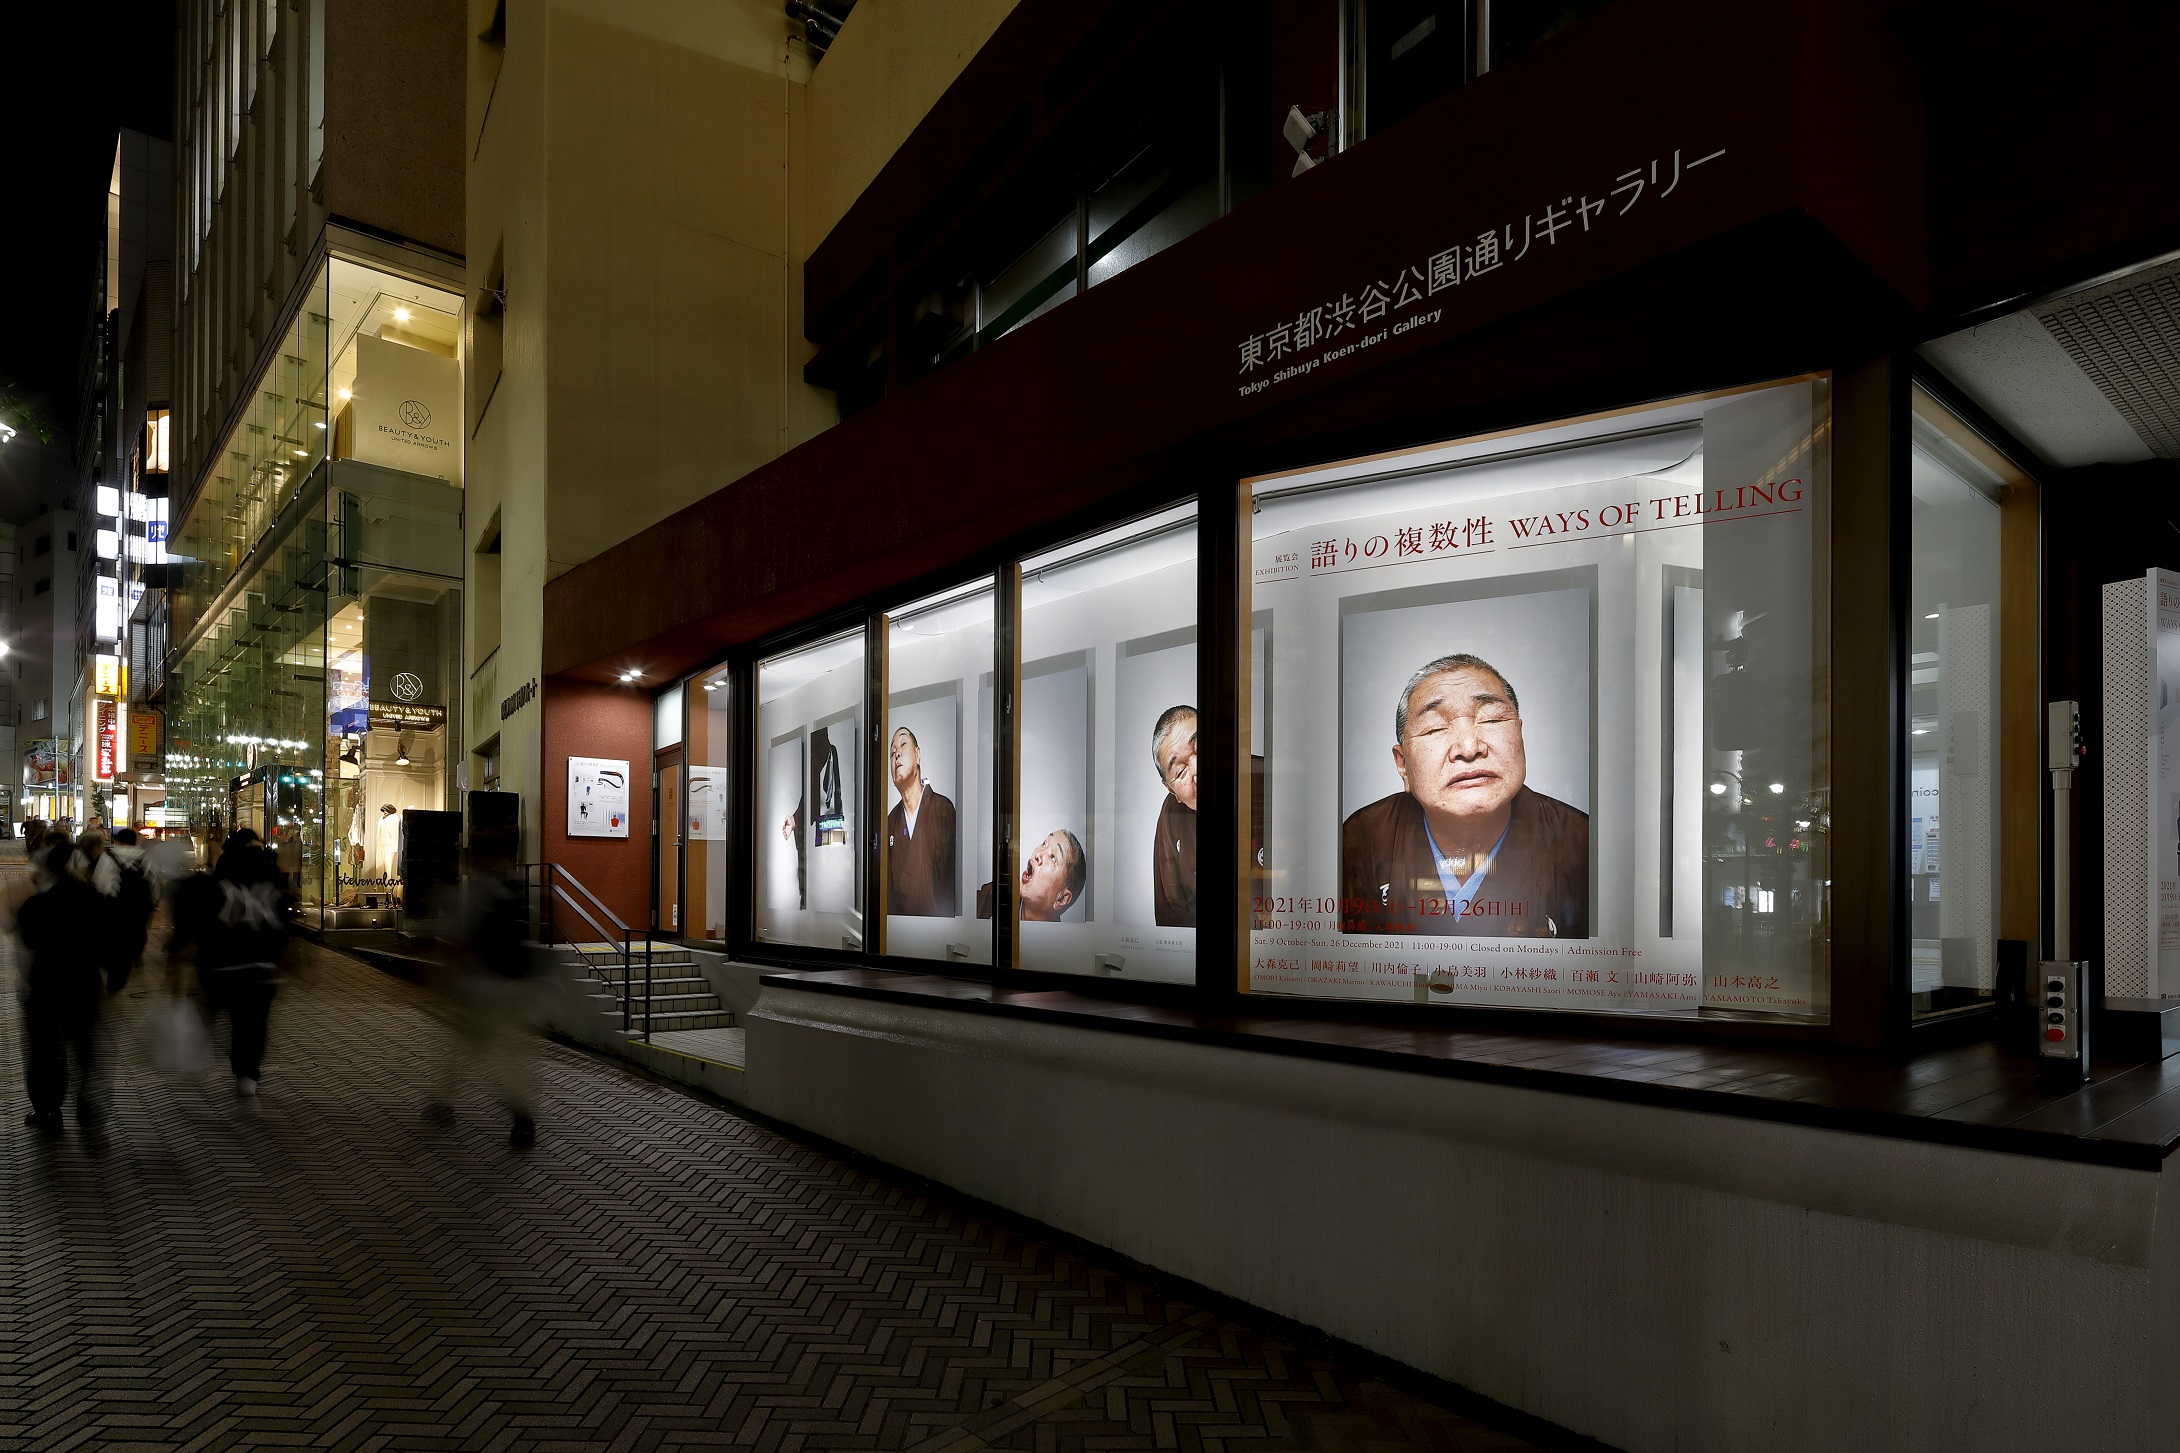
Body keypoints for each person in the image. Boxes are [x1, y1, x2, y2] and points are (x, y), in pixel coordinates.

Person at [1341, 653, 1589, 938]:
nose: (1469, 747)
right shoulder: (1363, 837)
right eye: (1435, 727)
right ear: (1403, 764)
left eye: (1492, 719)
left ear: (1520, 736)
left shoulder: (1581, 843)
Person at [168, 829, 293, 1096]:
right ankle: (247, 1071)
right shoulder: (271, 890)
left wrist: (177, 953)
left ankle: (208, 1052)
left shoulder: (214, 886)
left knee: (220, 1010)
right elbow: (282, 929)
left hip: (218, 967)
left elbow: (193, 920)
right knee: (252, 1022)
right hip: (259, 971)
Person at [424, 873, 544, 1149]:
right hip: (516, 988)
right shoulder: (515, 889)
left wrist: (444, 977)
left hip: (486, 989)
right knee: (503, 1053)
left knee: (467, 1049)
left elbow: (460, 943)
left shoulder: (478, 892)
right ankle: (522, 1118)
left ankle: (445, 1103)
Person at [16, 840, 108, 1133]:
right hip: (84, 981)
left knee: (44, 1048)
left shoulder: (38, 904)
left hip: (47, 982)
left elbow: (28, 940)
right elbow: (109, 939)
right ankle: (88, 1101)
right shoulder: (92, 898)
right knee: (84, 1042)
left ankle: (48, 1110)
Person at [885, 727, 959, 916]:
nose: (897, 754)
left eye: (902, 744)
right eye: (892, 752)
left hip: (937, 935)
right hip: (897, 934)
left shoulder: (943, 809)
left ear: (917, 754)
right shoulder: (890, 822)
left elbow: (952, 886)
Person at [1148, 707, 1198, 926]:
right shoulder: (1171, 813)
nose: (1197, 769)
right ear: (1171, 790)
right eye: (1180, 772)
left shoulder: (1261, 776)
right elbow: (1170, 908)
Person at [1018, 829, 1086, 922]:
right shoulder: (993, 896)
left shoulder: (1060, 936)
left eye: (1053, 858)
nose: (1038, 854)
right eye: (1044, 844)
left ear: (1061, 899)